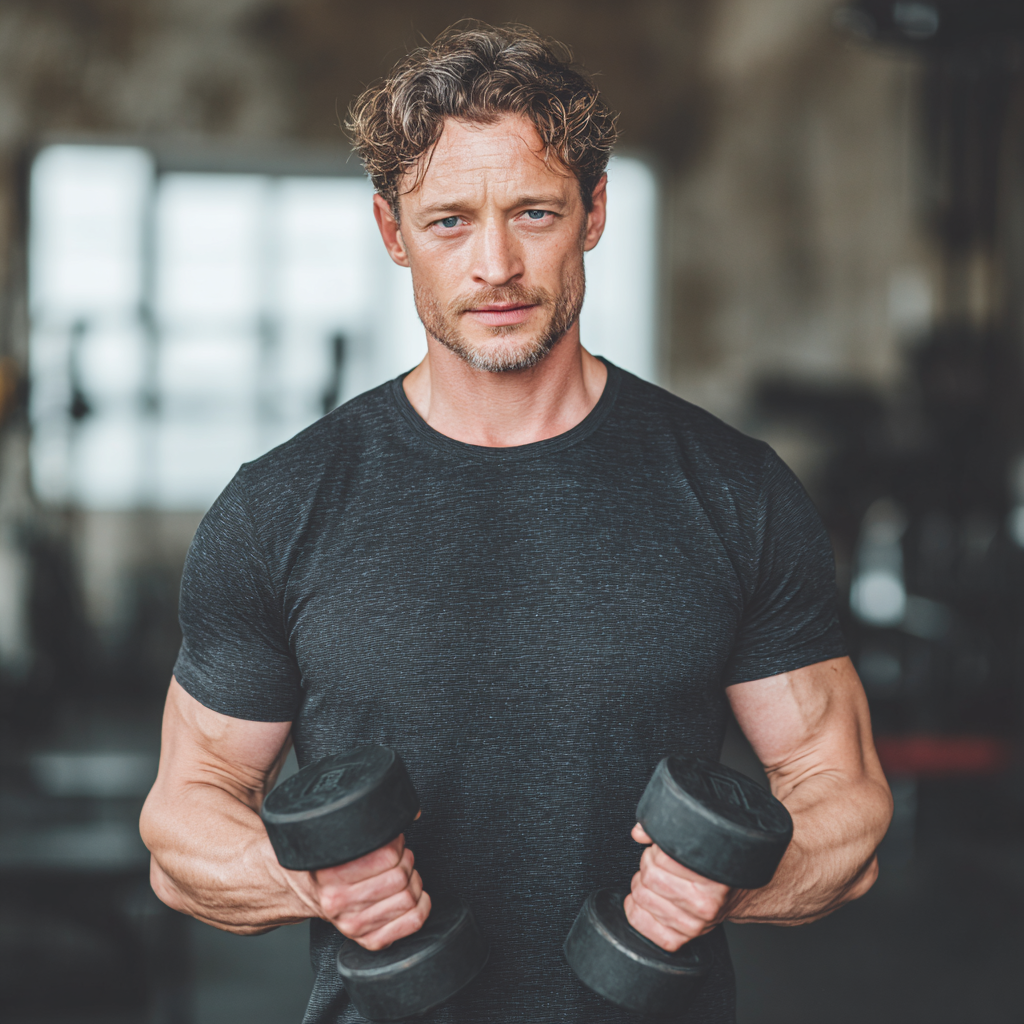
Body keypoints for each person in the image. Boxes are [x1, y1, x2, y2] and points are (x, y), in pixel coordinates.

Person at [140, 22, 893, 1024]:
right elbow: (182, 822)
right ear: (392, 232)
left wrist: (737, 885)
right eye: (448, 221)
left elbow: (842, 799)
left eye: (533, 212)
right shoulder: (280, 507)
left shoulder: (733, 493)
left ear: (594, 212)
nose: (494, 264)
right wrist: (313, 884)